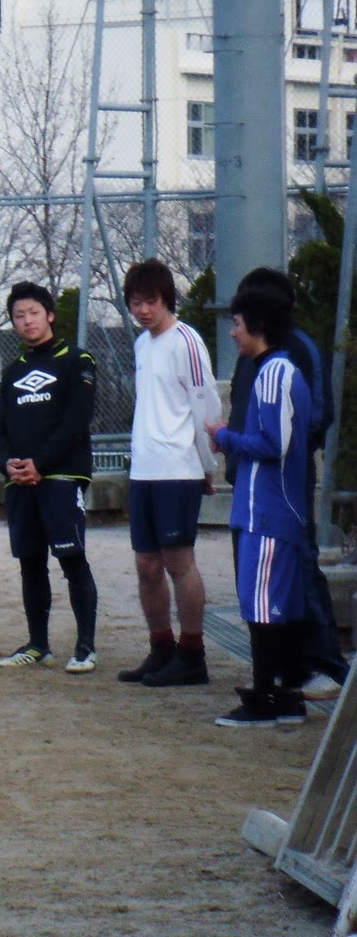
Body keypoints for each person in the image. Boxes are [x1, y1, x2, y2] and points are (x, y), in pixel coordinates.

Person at [223, 267, 347, 701]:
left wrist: (240, 443)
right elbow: (244, 408)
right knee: (258, 582)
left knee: (298, 573)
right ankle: (279, 669)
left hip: (278, 489)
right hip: (250, 483)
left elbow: (309, 419)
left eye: (240, 318)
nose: (234, 329)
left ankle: (323, 664)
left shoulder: (291, 355)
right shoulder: (253, 359)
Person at [206, 286, 314, 726]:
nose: (233, 332)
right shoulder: (284, 371)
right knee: (280, 604)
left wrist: (224, 436)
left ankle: (266, 696)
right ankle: (286, 695)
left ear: (259, 325)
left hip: (266, 511)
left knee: (261, 606)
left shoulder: (273, 373)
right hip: (274, 510)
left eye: (237, 324)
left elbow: (272, 444)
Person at [118, 258, 219, 688]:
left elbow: (205, 405)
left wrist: (207, 464)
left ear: (167, 300)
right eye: (136, 302)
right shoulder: (143, 345)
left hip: (178, 468)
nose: (143, 310)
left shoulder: (187, 341)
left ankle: (192, 653)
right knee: (146, 563)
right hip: (144, 467)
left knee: (179, 560)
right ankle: (160, 649)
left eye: (152, 301)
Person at [0, 282, 100, 674]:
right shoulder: (14, 371)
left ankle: (85, 647)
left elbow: (77, 420)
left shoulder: (77, 360)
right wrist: (7, 464)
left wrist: (42, 462)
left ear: (49, 314)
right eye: (19, 316)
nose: (27, 321)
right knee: (30, 563)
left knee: (71, 558)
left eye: (34, 312)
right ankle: (38, 644)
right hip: (20, 482)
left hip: (61, 476)